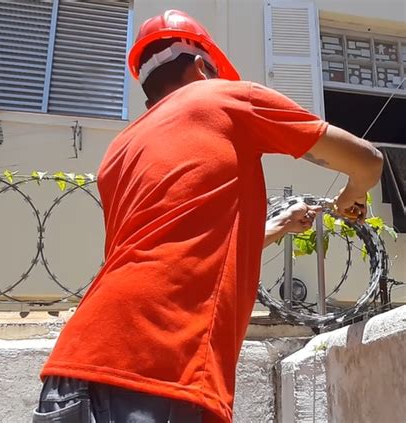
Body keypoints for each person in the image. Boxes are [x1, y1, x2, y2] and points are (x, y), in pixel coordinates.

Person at [33, 10, 383, 423]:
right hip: (161, 366)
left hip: (73, 367)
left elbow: (178, 245)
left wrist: (281, 225)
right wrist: (350, 195)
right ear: (202, 66)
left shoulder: (119, 151)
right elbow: (368, 162)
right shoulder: (225, 98)